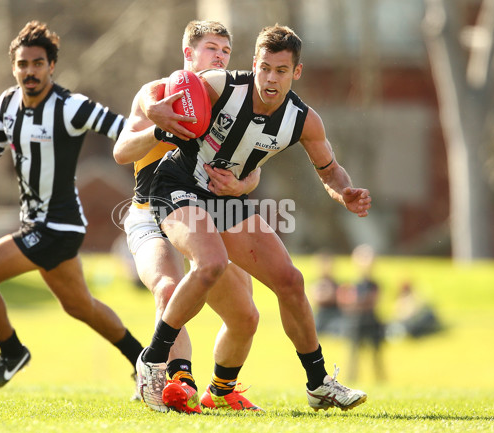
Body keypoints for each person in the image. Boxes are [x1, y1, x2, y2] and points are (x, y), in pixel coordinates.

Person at [134, 24, 371, 412]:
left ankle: (318, 383)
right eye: (264, 68)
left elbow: (329, 170)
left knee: (291, 281)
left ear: (296, 73)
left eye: (280, 70)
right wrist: (150, 109)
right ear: (254, 65)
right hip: (176, 185)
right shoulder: (220, 85)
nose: (269, 78)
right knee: (210, 263)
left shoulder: (303, 120)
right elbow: (158, 90)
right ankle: (153, 360)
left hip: (224, 200)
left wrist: (344, 191)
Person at [0, 21, 143, 393]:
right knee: (80, 307)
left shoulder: (70, 107)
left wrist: (162, 132)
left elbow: (125, 129)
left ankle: (12, 351)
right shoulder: (7, 103)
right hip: (40, 226)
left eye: (38, 63)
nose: (30, 71)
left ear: (52, 66)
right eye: (22, 64)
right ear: (14, 68)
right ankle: (144, 361)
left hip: (57, 227)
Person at [114, 20, 261, 413]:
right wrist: (159, 131)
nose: (220, 57)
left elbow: (254, 167)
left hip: (205, 216)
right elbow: (122, 150)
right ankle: (179, 382)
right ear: (188, 53)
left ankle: (223, 391)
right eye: (211, 48)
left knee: (245, 314)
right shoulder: (158, 93)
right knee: (167, 287)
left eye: (226, 52)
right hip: (150, 213)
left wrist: (241, 186)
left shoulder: (232, 101)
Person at [337, 244, 385, 382]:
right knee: (353, 356)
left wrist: (357, 302)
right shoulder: (352, 284)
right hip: (356, 322)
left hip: (371, 321)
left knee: (376, 356)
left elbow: (371, 301)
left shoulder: (374, 284)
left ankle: (380, 380)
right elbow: (345, 302)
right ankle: (351, 381)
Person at [310, 252, 343, 337]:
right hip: (320, 316)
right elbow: (315, 299)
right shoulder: (315, 283)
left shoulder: (337, 284)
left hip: (335, 315)